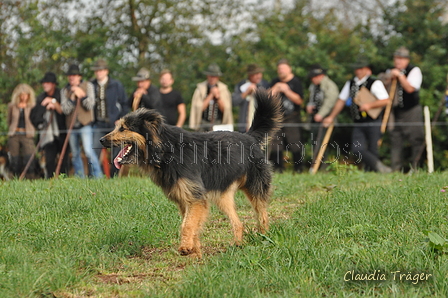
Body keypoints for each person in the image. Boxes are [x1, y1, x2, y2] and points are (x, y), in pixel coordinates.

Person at [323, 58, 392, 173]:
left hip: (373, 121)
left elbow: (385, 100)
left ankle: (372, 172)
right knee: (357, 149)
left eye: (360, 68)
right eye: (357, 69)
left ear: (366, 69)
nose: (358, 71)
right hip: (358, 122)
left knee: (373, 149)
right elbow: (341, 100)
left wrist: (369, 105)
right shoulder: (350, 83)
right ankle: (379, 167)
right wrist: (331, 116)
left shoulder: (374, 82)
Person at [61, 64, 102, 178]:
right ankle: (80, 177)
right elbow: (65, 109)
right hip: (71, 126)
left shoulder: (88, 86)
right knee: (75, 154)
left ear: (79, 76)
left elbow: (90, 105)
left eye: (74, 75)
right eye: (70, 75)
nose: (71, 78)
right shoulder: (64, 90)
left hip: (85, 125)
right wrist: (72, 98)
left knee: (88, 152)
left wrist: (82, 95)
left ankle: (98, 176)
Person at [90, 59, 129, 177]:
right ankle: (93, 177)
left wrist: (120, 119)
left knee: (116, 152)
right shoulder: (91, 85)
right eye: (97, 70)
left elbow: (124, 104)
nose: (98, 73)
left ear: (106, 71)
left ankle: (114, 177)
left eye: (101, 70)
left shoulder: (116, 85)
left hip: (114, 124)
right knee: (94, 150)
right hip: (98, 124)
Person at [388, 47, 424, 172]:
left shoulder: (414, 70)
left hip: (411, 110)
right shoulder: (391, 71)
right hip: (396, 111)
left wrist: (400, 76)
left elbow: (410, 89)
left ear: (407, 60)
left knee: (416, 139)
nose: (398, 61)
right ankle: (395, 169)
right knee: (396, 139)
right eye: (396, 58)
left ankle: (416, 168)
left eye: (401, 59)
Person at [30, 72, 69, 178]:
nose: (44, 85)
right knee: (49, 159)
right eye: (44, 83)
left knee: (63, 158)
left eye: (47, 83)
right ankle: (50, 180)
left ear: (53, 84)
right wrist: (45, 108)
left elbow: (64, 111)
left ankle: (63, 179)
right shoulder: (40, 97)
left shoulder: (62, 94)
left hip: (62, 132)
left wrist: (53, 102)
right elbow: (35, 115)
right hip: (48, 133)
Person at [269, 59, 304, 173]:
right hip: (277, 117)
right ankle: (278, 168)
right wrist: (276, 88)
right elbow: (266, 97)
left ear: (290, 69)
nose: (281, 71)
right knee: (275, 143)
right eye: (279, 69)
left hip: (292, 117)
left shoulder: (296, 82)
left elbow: (299, 101)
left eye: (283, 68)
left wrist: (286, 90)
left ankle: (298, 168)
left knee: (294, 142)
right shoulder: (275, 81)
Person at [305, 64, 339, 166]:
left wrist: (321, 114)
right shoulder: (314, 87)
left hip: (326, 120)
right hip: (314, 119)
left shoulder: (330, 85)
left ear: (320, 76)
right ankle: (316, 166)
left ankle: (322, 167)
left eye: (313, 77)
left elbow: (330, 101)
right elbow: (312, 99)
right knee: (315, 143)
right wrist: (309, 106)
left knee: (322, 144)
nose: (312, 80)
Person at [189, 63, 233, 131]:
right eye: (211, 76)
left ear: (218, 77)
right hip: (203, 123)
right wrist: (211, 95)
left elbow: (226, 109)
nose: (212, 78)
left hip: (219, 123)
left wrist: (218, 97)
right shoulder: (201, 88)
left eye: (214, 76)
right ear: (207, 76)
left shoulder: (223, 89)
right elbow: (199, 108)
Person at [7, 83, 37, 177]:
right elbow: (9, 120)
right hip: (15, 134)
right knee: (14, 160)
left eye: (26, 95)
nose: (24, 97)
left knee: (29, 158)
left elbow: (35, 120)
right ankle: (14, 179)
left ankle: (30, 179)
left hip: (27, 135)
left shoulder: (32, 106)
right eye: (22, 95)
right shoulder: (12, 106)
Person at [232, 64, 270, 133]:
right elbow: (234, 102)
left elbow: (268, 102)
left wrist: (258, 92)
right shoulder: (241, 85)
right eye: (256, 74)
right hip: (243, 126)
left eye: (260, 73)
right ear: (250, 75)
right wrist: (246, 92)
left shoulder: (265, 85)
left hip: (259, 126)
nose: (259, 76)